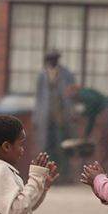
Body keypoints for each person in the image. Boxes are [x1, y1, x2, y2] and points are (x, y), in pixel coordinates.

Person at [33, 49, 76, 180]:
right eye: (50, 59)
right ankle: (49, 175)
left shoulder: (67, 74)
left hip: (61, 117)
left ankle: (63, 176)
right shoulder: (42, 75)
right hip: (46, 118)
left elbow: (71, 95)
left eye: (54, 59)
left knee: (62, 145)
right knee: (47, 146)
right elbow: (39, 98)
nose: (52, 61)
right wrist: (36, 117)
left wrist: (71, 113)